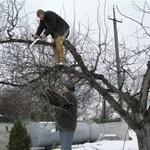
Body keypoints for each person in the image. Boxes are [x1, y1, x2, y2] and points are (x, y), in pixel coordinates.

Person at [42, 84, 77, 150]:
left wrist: (49, 90)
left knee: (65, 148)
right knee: (65, 148)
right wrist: (45, 94)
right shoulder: (66, 97)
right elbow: (55, 101)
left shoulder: (70, 96)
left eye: (64, 87)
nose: (63, 89)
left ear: (67, 88)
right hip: (64, 126)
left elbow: (58, 100)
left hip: (67, 125)